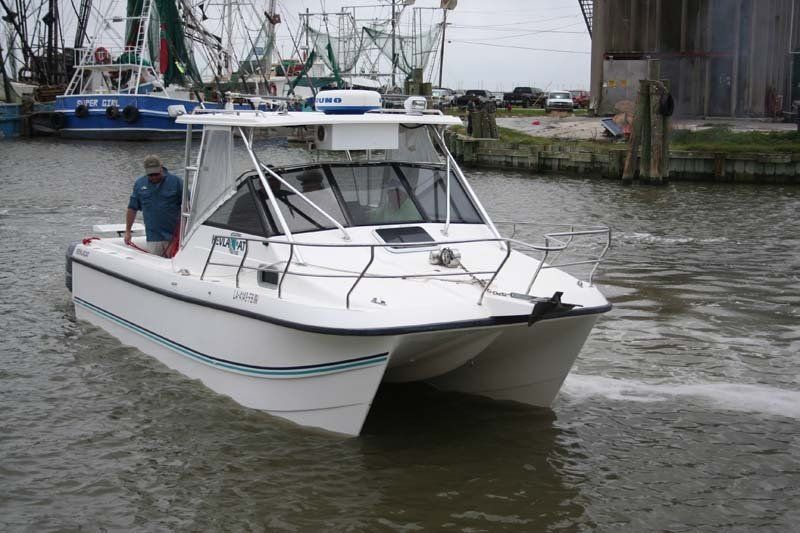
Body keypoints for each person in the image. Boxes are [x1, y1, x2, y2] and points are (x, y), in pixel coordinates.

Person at [124, 155, 183, 256]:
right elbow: (132, 208)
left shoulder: (176, 182)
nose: (154, 177)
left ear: (161, 168)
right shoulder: (139, 184)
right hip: (153, 237)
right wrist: (128, 231)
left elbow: (189, 207)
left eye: (156, 174)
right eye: (151, 175)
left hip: (174, 236)